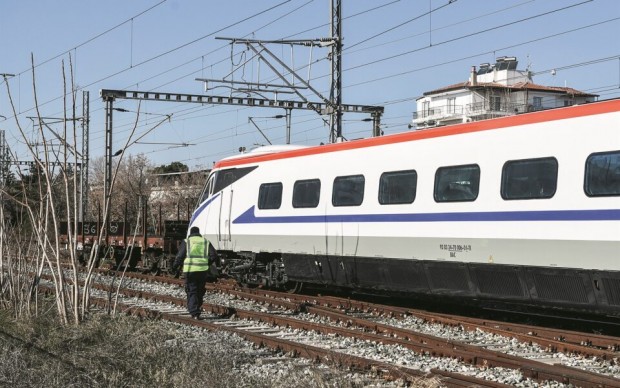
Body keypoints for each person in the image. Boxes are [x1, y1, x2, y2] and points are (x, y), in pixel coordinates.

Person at [172, 226, 217, 320]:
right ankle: (197, 308)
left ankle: (194, 312)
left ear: (190, 233)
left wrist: (174, 266)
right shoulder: (205, 241)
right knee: (200, 290)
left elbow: (180, 256)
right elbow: (214, 255)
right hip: (203, 270)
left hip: (190, 270)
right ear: (198, 233)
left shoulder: (186, 241)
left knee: (192, 290)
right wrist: (206, 263)